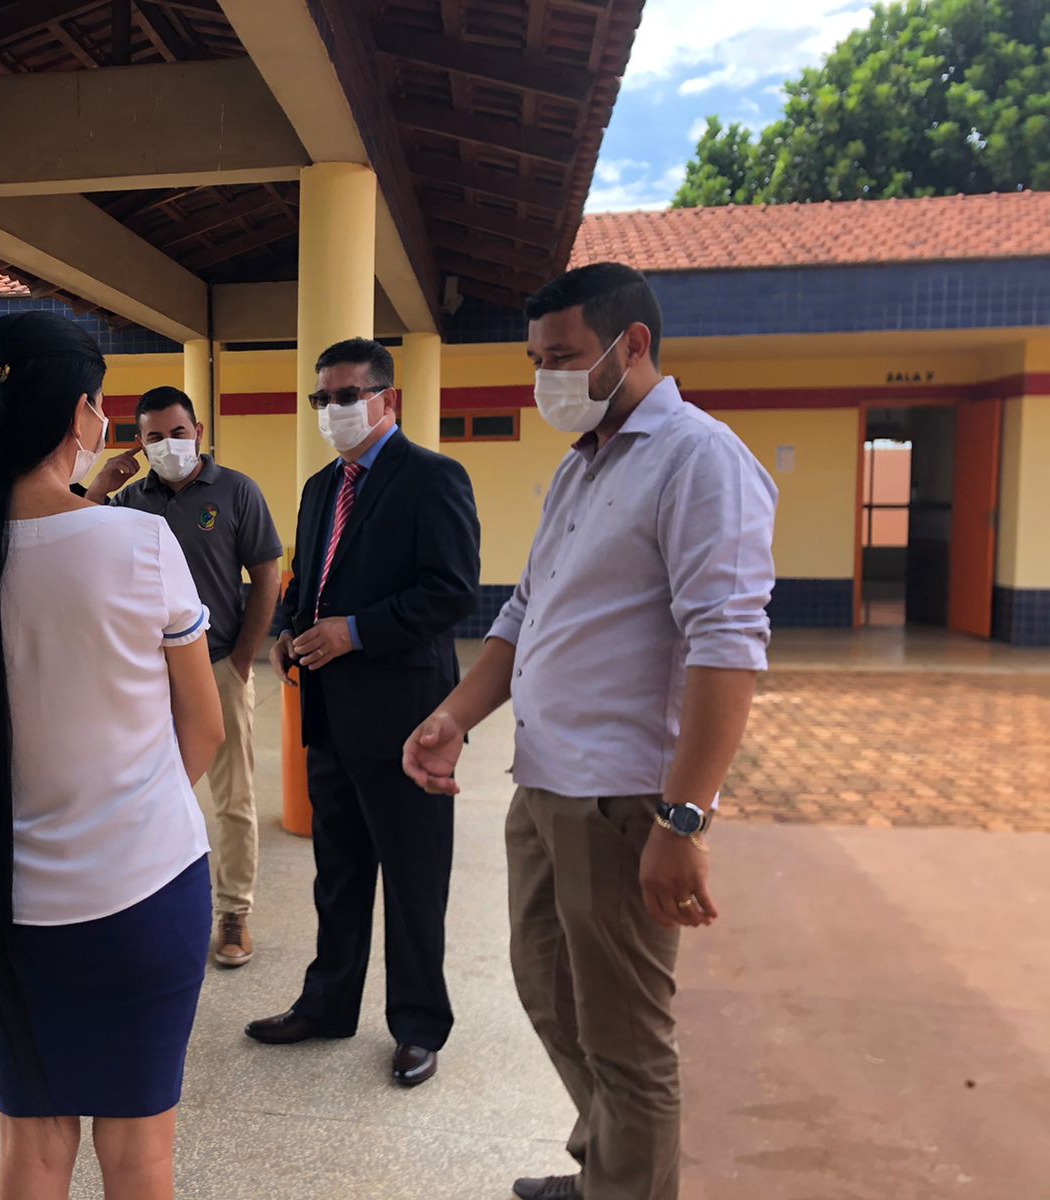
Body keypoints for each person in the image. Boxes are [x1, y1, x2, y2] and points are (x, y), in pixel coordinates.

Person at [402, 263, 777, 1200]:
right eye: (537, 361)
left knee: (627, 1036)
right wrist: (454, 716)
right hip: (547, 788)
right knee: (551, 995)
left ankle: (627, 1183)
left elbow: (726, 649)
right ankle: (610, 1169)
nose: (546, 381)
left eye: (563, 356)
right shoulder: (584, 464)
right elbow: (525, 612)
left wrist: (683, 821)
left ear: (632, 345)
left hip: (623, 804)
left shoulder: (702, 459)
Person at [0, 312, 224, 1199]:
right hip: (148, 891)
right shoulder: (139, 542)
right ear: (84, 417)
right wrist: (128, 807)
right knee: (139, 1154)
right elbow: (204, 727)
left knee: (34, 1149)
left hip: (5, 903)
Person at [246, 337, 480, 1089]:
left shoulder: (433, 479)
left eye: (347, 396)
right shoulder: (320, 488)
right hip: (329, 716)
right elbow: (307, 584)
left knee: (413, 878)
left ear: (387, 399)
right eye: (322, 399)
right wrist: (288, 629)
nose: (332, 410)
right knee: (338, 873)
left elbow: (450, 592)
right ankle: (327, 1005)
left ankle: (418, 1026)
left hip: (407, 717)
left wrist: (355, 630)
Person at [85, 386, 283, 968]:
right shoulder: (127, 501)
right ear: (139, 443)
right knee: (145, 796)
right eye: (154, 437)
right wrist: (100, 484)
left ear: (198, 430)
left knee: (233, 798)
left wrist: (242, 661)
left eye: (178, 432)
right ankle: (144, 907)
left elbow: (267, 576)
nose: (169, 445)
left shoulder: (236, 490)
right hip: (146, 674)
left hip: (218, 662)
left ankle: (234, 914)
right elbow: (77, 536)